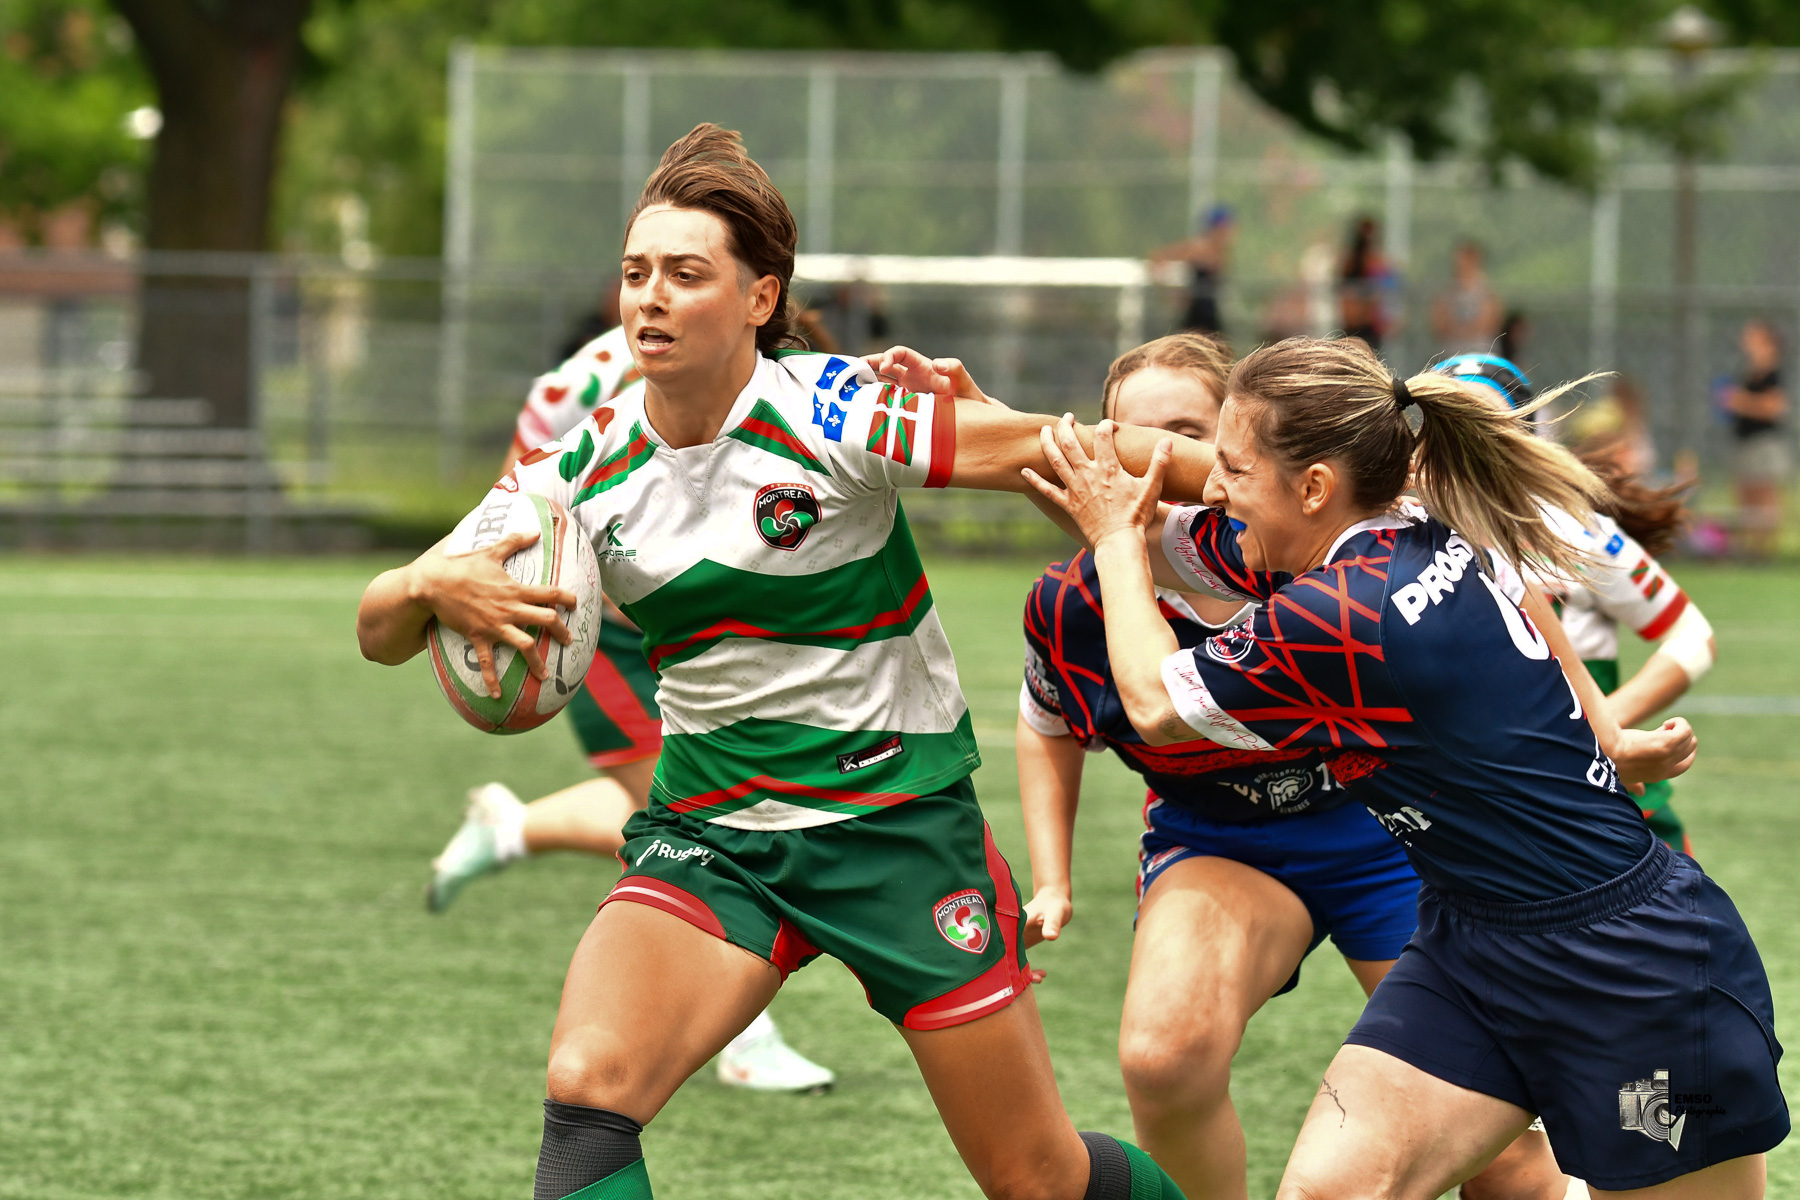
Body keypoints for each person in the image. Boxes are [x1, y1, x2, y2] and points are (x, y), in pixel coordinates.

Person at [357, 124, 1219, 1200]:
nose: (649, 300)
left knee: (1034, 1175)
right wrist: (429, 585)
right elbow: (378, 625)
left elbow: (1067, 445)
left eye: (685, 273)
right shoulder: (574, 467)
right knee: (589, 1086)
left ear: (760, 298)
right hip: (715, 835)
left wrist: (1255, 481)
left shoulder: (835, 411)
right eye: (635, 275)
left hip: (897, 829)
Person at [1023, 336, 1782, 1199]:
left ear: (1313, 487)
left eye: (1231, 466)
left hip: (1628, 965)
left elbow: (1154, 700)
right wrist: (996, 427)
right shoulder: (1415, 516)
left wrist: (1111, 542)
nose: (1216, 488)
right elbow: (1169, 527)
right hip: (1471, 946)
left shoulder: (1340, 612)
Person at [427, 318, 837, 1092]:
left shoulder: (729, 366)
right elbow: (530, 520)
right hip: (600, 613)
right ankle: (744, 1034)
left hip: (678, 602)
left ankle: (509, 828)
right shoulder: (644, 385)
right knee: (701, 822)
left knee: (684, 800)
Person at [1434, 354, 1717, 859]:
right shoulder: (1400, 536)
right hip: (1480, 803)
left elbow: (1692, 635)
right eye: (1441, 419)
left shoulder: (1572, 530)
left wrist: (1602, 726)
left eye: (1473, 420)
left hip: (1605, 795)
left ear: (1520, 437)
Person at [1721, 320, 1790, 559]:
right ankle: (1751, 547)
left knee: (1764, 496)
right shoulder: (1749, 372)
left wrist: (1740, 401)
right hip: (1745, 440)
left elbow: (1775, 407)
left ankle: (1766, 549)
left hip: (1763, 442)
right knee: (1746, 495)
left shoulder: (1772, 373)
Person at [1150, 205, 1235, 337]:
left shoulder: (1221, 252)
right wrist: (1170, 290)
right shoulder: (1199, 248)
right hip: (1197, 316)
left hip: (1209, 314)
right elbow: (1159, 257)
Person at [1430, 240, 1503, 356]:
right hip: (1451, 353)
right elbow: (1439, 325)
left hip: (1481, 353)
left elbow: (1490, 323)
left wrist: (1460, 330)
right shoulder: (1446, 294)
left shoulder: (1487, 294)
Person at [1336, 216, 1394, 351]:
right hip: (1352, 327)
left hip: (1370, 326)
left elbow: (1389, 288)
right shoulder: (1350, 263)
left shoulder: (1378, 262)